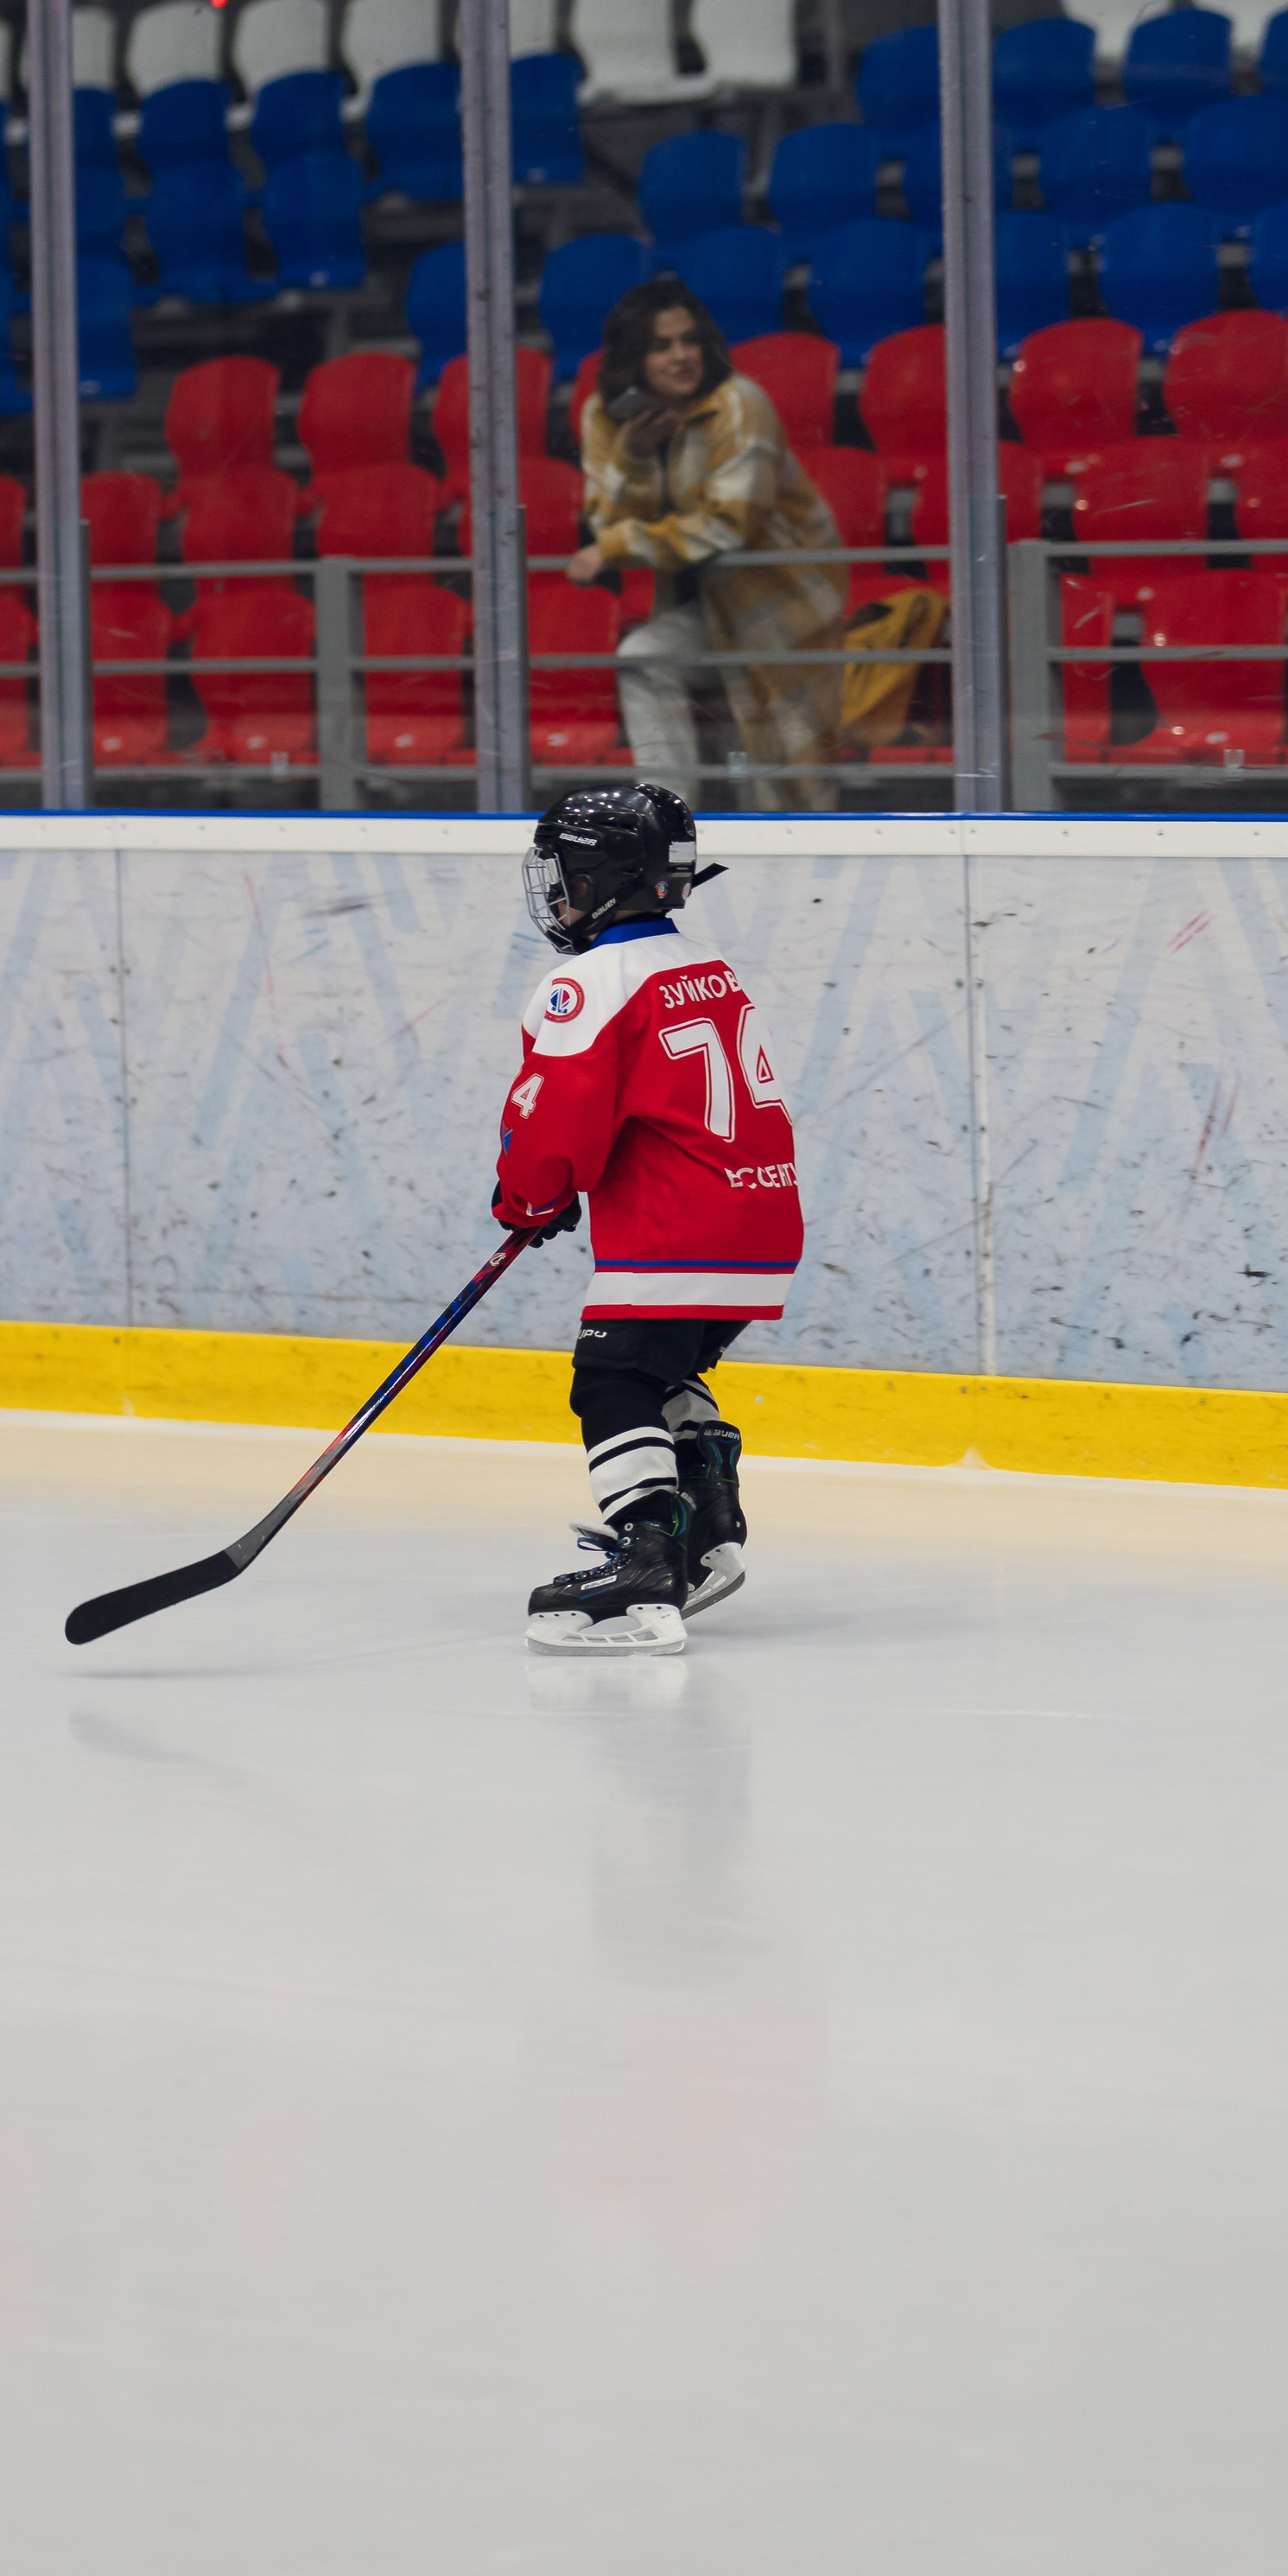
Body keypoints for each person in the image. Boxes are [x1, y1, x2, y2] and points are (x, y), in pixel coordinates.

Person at [492, 782, 803, 1656]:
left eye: (563, 875)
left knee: (610, 1379)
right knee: (661, 1365)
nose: (554, 893)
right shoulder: (704, 963)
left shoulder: (586, 982)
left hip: (678, 1220)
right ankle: (707, 1519)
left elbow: (556, 1122)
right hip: (759, 1213)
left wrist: (529, 1200)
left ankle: (645, 1557)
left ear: (600, 880)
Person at [567, 277, 843, 814]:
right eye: (661, 346)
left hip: (782, 601)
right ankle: (664, 818)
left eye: (690, 341)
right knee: (643, 658)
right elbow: (604, 519)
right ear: (632, 358)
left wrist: (619, 545)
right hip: (703, 605)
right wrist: (633, 458)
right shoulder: (605, 417)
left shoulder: (740, 404)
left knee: (784, 797)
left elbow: (727, 527)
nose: (682, 357)